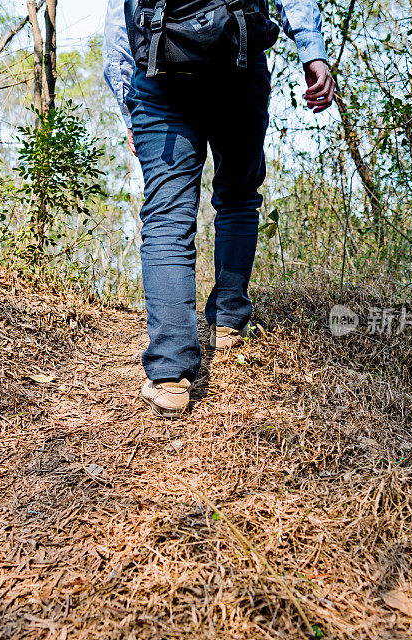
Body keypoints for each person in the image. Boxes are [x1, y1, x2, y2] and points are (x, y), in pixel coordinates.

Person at [103, 0, 335, 417]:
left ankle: (170, 375)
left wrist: (130, 111)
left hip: (161, 78)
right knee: (239, 195)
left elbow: (120, 26)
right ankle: (227, 321)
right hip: (239, 71)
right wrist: (312, 51)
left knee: (167, 221)